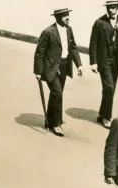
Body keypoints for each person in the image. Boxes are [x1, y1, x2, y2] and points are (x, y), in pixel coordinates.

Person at [33, 8, 83, 137]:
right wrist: (38, 71)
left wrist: (79, 65)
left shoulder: (69, 29)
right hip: (51, 67)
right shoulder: (48, 32)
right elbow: (40, 52)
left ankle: (49, 120)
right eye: (64, 16)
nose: (67, 17)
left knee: (56, 94)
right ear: (57, 17)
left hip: (64, 66)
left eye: (68, 15)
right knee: (57, 92)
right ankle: (56, 124)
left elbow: (73, 47)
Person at [89, 0, 118, 129]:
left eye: (114, 8)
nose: (112, 11)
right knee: (109, 88)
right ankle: (107, 117)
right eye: (109, 8)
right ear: (106, 9)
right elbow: (93, 43)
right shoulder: (99, 23)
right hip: (104, 61)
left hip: (116, 62)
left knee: (110, 90)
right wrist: (93, 62)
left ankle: (102, 113)